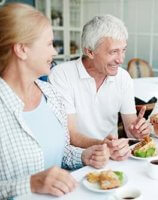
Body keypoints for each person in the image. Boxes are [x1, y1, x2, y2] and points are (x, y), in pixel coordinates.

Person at [0, 3, 110, 199]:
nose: (55, 52)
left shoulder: (51, 95)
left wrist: (84, 155)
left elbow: (60, 152)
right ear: (22, 49)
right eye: (50, 44)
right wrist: (30, 183)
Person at [49, 15, 150, 161]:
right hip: (76, 160)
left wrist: (139, 131)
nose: (121, 59)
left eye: (123, 50)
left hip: (112, 159)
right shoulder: (61, 75)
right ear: (89, 51)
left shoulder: (123, 78)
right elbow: (70, 134)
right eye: (113, 52)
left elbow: (130, 130)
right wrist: (104, 145)